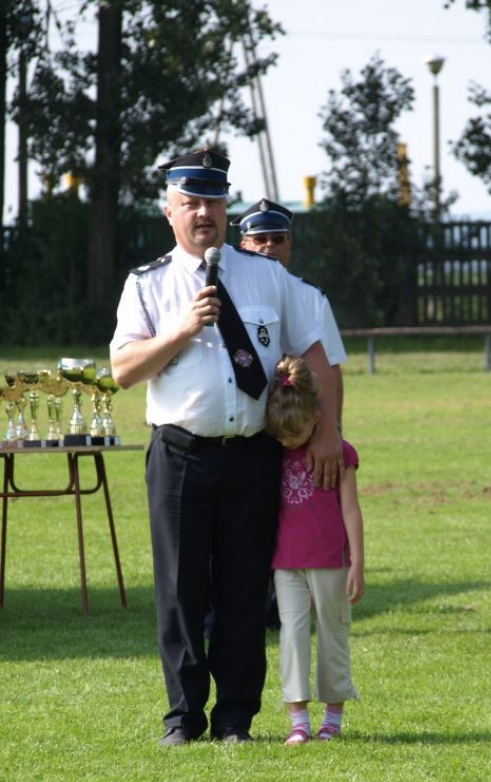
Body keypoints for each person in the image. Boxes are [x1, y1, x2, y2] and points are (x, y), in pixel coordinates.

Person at [109, 148, 343, 747]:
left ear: (226, 206)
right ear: (170, 211)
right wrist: (182, 328)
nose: (202, 213)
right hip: (180, 453)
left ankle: (235, 720)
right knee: (182, 592)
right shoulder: (148, 284)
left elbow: (315, 351)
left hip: (252, 454)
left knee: (243, 592)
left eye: (212, 201)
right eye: (190, 203)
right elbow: (123, 369)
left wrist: (326, 431)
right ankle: (183, 719)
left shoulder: (267, 276)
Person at [265, 355, 364, 745]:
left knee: (332, 634)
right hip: (286, 564)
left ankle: (333, 717)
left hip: (331, 563)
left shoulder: (340, 454)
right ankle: (298, 719)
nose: (289, 442)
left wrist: (358, 562)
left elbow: (352, 510)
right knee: (291, 635)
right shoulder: (274, 452)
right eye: (281, 437)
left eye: (296, 434)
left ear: (317, 418)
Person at [231, 198, 346, 427]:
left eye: (278, 239)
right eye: (260, 239)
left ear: (289, 242)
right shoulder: (231, 293)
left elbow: (331, 367)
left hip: (297, 423)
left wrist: (333, 430)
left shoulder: (311, 296)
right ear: (244, 245)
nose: (270, 245)